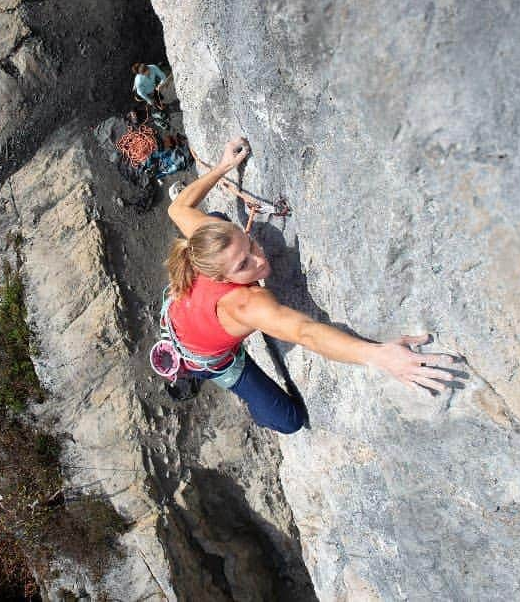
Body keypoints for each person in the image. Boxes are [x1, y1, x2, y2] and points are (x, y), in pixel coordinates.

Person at [165, 137, 455, 434]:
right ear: (220, 279)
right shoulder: (246, 304)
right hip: (207, 358)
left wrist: (224, 165)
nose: (260, 260)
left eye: (250, 243)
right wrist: (378, 355)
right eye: (244, 265)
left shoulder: (206, 248)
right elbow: (306, 332)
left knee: (215, 221)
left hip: (180, 316)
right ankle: (192, 374)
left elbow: (177, 209)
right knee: (288, 420)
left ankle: (233, 253)